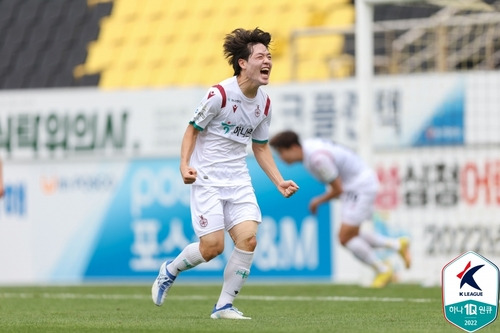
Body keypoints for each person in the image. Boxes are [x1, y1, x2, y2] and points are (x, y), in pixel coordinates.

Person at [151, 28, 299, 319]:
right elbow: (192, 129)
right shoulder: (219, 94)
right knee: (212, 248)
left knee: (249, 240)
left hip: (239, 180)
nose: (268, 61)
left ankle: (224, 306)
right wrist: (184, 166)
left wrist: (279, 180)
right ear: (243, 63)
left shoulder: (264, 104)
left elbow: (260, 147)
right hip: (208, 180)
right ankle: (170, 269)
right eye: (260, 56)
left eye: (269, 56)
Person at [269, 130, 410, 288]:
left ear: (294, 147)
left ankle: (384, 268)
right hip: (357, 185)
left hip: (359, 187)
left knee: (345, 238)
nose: (281, 158)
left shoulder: (317, 159)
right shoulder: (309, 149)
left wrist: (318, 201)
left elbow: (338, 189)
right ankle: (397, 245)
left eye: (282, 152)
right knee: (351, 235)